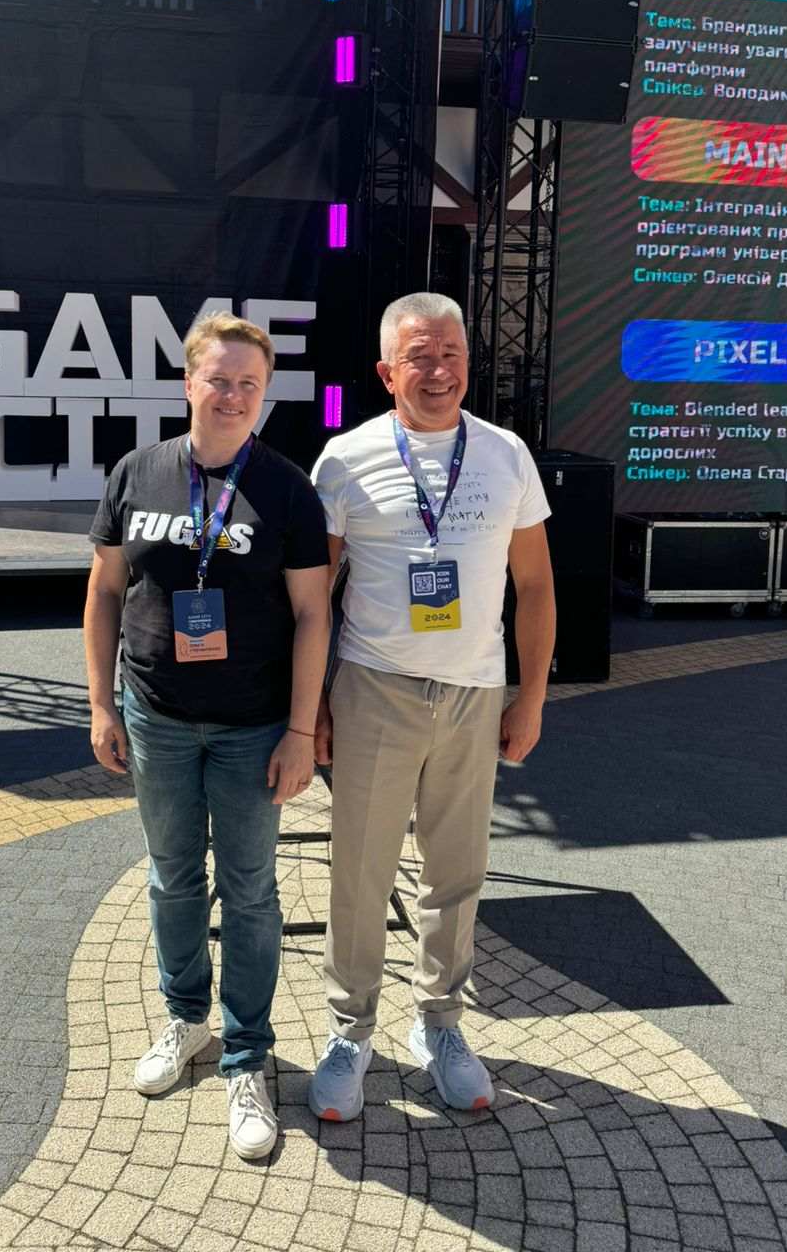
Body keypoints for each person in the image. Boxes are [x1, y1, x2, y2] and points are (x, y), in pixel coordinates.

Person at [84, 312, 331, 1159]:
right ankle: (187, 1019)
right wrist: (102, 704)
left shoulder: (288, 489)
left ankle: (247, 1055)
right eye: (218, 380)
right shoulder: (137, 472)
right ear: (188, 383)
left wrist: (301, 729)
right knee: (173, 877)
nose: (232, 396)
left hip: (252, 727)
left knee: (251, 890)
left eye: (248, 384)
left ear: (265, 394)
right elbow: (105, 593)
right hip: (155, 716)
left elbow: (312, 614)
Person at [307, 291, 555, 1119]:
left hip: (475, 693)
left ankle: (441, 1023)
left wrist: (531, 697)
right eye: (420, 356)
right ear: (387, 372)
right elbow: (313, 596)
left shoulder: (507, 455)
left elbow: (535, 586)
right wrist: (314, 705)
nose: (439, 371)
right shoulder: (345, 459)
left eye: (452, 354)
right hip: (374, 687)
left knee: (457, 871)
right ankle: (350, 1030)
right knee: (361, 869)